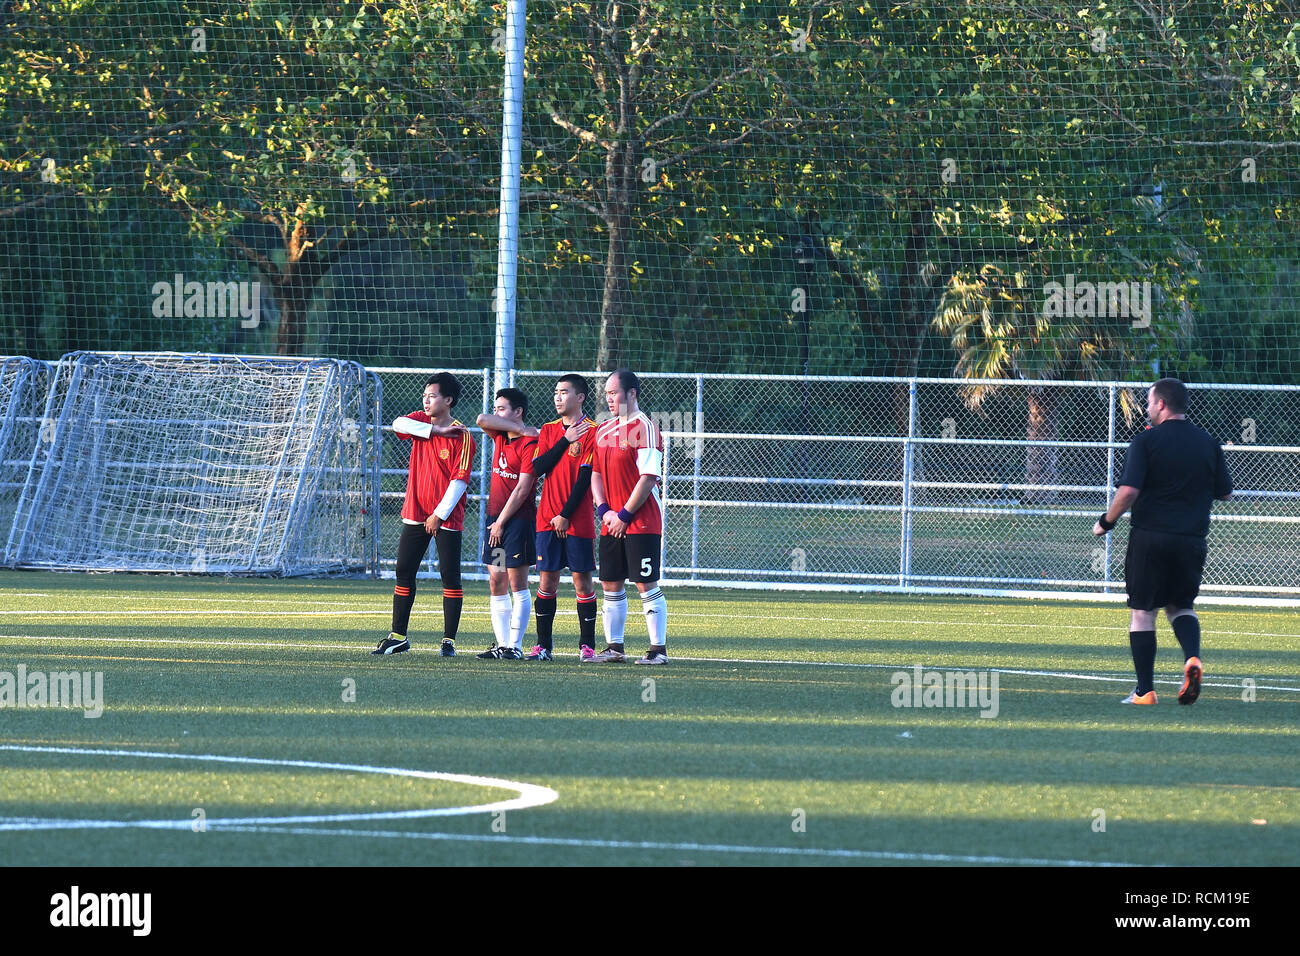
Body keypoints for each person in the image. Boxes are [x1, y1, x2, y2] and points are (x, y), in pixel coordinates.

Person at [1093, 378, 1233, 705]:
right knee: (1181, 606)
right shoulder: (1208, 442)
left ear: (1161, 405)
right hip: (1191, 542)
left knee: (1143, 612)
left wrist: (1106, 522)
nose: (1146, 407)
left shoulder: (1145, 441)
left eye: (1149, 401)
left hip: (1150, 539)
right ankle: (1192, 659)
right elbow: (1225, 492)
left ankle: (1145, 691)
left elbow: (1128, 491)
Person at [374, 372, 475, 657]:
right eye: (425, 396)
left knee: (449, 576)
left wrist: (440, 515)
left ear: (448, 400)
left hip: (446, 517)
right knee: (404, 570)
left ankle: (448, 641)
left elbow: (460, 480)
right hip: (416, 511)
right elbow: (397, 424)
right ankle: (398, 636)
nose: (426, 401)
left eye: (432, 396)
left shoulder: (462, 434)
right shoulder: (420, 420)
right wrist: (434, 431)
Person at [588, 369, 668, 664]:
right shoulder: (603, 430)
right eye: (607, 393)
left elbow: (648, 478)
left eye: (614, 392)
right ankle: (614, 648)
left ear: (631, 393)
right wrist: (604, 511)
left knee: (645, 584)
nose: (609, 398)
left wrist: (624, 514)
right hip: (611, 522)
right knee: (610, 582)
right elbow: (595, 473)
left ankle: (658, 651)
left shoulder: (645, 427)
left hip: (641, 521)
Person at [522, 374, 599, 661]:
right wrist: (565, 441)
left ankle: (587, 646)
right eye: (556, 392)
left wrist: (565, 515)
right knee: (547, 583)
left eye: (564, 392)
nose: (557, 397)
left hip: (576, 520)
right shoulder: (549, 429)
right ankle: (544, 646)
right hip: (546, 520)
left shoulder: (593, 430)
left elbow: (585, 477)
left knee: (583, 583)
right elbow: (538, 466)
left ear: (580, 397)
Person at [474, 388, 539, 660]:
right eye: (497, 408)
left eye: (503, 408)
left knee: (517, 583)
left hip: (517, 522)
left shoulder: (530, 444)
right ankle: (501, 644)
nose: (496, 412)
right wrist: (517, 427)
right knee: (496, 579)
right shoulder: (502, 434)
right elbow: (481, 419)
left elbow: (523, 489)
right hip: (495, 520)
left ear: (518, 411)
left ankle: (515, 645)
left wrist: (501, 522)